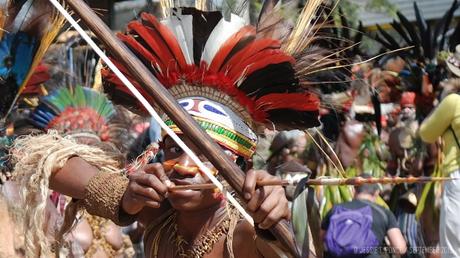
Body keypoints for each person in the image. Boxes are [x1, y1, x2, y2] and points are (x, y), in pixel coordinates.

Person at [11, 2, 345, 257]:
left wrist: (277, 218)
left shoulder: (239, 233)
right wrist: (124, 198)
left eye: (204, 152)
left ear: (238, 162)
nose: (185, 167)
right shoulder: (157, 215)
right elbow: (34, 156)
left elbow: (280, 245)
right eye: (173, 147)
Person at [419, 78, 460, 258]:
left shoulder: (453, 102)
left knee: (454, 247)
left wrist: (442, 101)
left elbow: (426, 133)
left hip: (457, 178)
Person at [320, 174, 407, 258]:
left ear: (353, 191)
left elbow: (320, 239)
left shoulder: (336, 209)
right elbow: (400, 248)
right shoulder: (384, 213)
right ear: (376, 193)